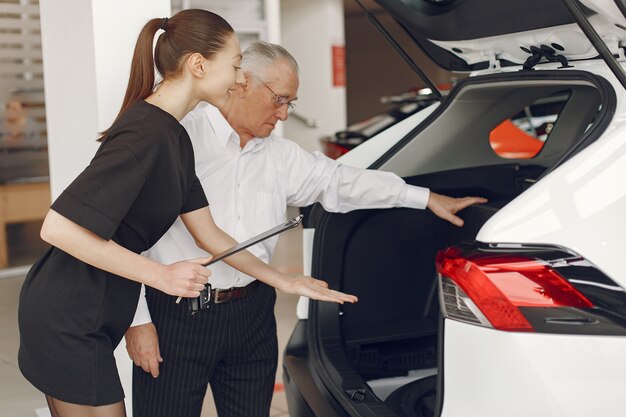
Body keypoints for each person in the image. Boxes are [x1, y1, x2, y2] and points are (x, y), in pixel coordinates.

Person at [17, 14, 356, 417]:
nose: (240, 79)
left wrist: (285, 280)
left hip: (99, 309)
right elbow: (58, 228)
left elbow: (210, 234)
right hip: (69, 313)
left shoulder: (176, 136)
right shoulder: (146, 133)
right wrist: (161, 275)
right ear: (198, 66)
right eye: (234, 66)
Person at [126, 41, 487, 417]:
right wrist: (137, 322)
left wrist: (426, 198)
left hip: (252, 314)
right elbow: (130, 236)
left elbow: (342, 183)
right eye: (279, 99)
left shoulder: (281, 156)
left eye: (290, 104)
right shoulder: (181, 137)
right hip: (176, 316)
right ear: (243, 82)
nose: (283, 115)